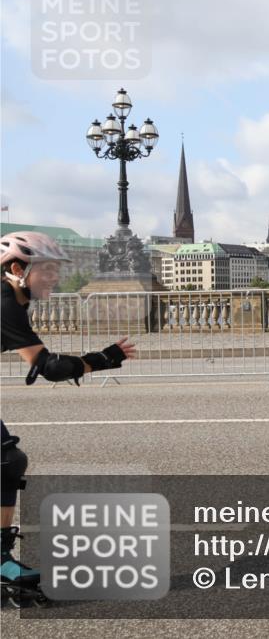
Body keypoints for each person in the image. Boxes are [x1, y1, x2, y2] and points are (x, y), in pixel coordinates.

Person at [0, 231, 136, 602]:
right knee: (6, 461)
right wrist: (104, 358)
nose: (55, 277)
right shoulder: (4, 301)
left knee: (7, 464)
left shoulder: (13, 297)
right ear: (16, 268)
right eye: (47, 269)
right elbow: (48, 367)